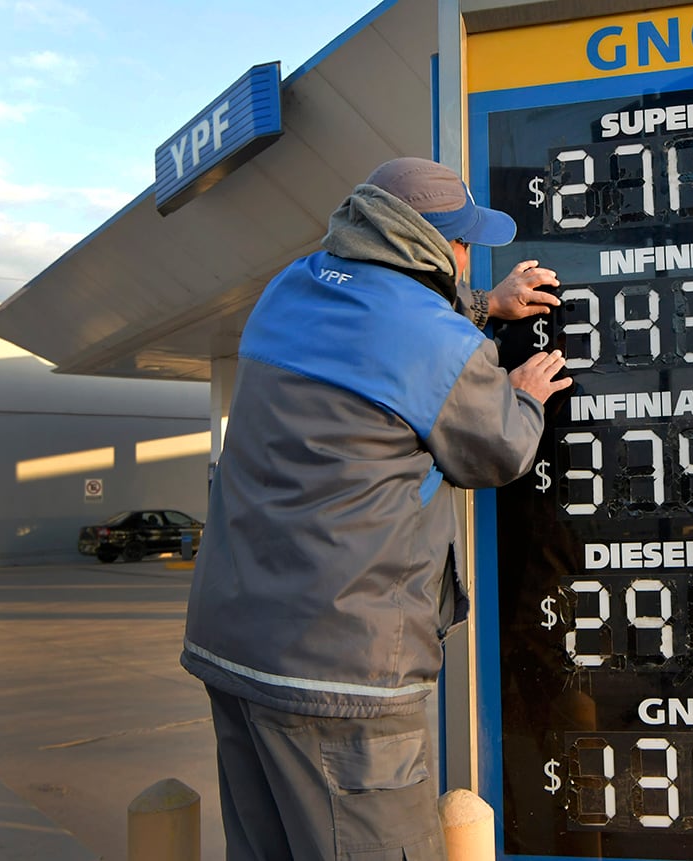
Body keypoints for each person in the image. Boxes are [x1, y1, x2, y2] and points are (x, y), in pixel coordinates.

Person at [181, 157, 570, 860]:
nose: (467, 255)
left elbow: (377, 324)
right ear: (437, 245)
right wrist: (524, 397)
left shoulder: (285, 290)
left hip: (231, 648)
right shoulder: (439, 344)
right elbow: (499, 450)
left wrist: (481, 303)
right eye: (464, 243)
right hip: (341, 680)